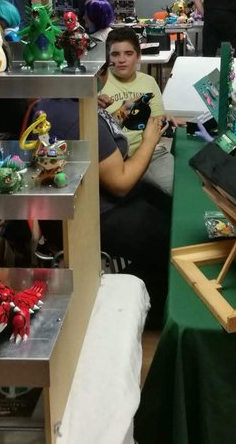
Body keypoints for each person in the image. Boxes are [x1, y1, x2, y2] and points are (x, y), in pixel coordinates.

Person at [35, 98, 171, 328]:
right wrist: (150, 140)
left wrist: (115, 117)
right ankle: (133, 312)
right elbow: (121, 183)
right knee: (170, 238)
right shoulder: (76, 116)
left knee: (167, 205)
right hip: (96, 214)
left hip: (84, 206)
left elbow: (92, 143)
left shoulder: (60, 102)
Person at [99, 27, 174, 195]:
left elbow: (157, 123)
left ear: (138, 56)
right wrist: (116, 113)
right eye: (115, 54)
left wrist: (164, 120)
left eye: (128, 53)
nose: (121, 60)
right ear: (107, 58)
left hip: (152, 153)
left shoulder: (149, 81)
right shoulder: (100, 83)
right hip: (114, 158)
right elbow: (97, 131)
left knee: (177, 189)